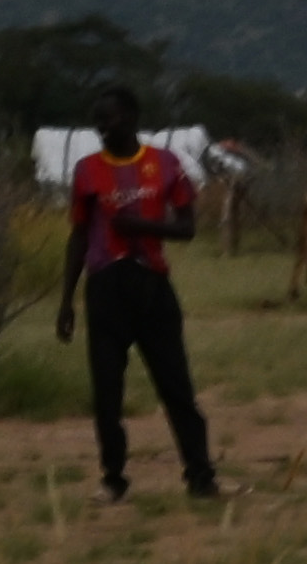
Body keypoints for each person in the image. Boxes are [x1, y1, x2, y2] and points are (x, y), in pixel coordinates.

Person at [56, 94, 216, 499]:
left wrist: (140, 227)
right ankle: (113, 478)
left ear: (130, 117)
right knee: (107, 392)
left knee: (176, 387)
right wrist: (66, 300)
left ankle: (201, 476)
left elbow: (187, 229)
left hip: (152, 288)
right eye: (97, 122)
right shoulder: (87, 171)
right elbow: (78, 236)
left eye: (108, 120)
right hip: (106, 289)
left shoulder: (166, 164)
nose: (102, 129)